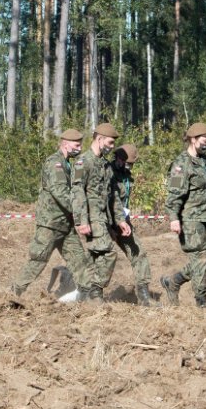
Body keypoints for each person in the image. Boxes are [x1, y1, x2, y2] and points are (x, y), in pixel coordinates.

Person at [10, 129, 95, 300]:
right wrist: (80, 211)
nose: (79, 148)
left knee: (79, 259)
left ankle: (88, 295)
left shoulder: (68, 164)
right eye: (76, 145)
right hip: (50, 224)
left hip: (65, 224)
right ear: (65, 143)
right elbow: (60, 192)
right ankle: (13, 293)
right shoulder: (54, 163)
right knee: (38, 260)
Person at [161, 122, 206, 308]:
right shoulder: (181, 165)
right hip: (190, 219)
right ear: (193, 139)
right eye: (205, 140)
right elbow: (174, 194)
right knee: (201, 260)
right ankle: (201, 304)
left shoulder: (205, 161)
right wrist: (173, 218)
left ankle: (174, 280)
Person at [76, 122, 122, 301]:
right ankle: (95, 290)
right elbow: (77, 192)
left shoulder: (105, 165)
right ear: (99, 139)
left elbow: (112, 195)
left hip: (102, 218)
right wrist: (82, 221)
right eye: (110, 143)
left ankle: (86, 293)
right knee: (109, 252)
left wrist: (117, 221)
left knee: (93, 256)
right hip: (90, 217)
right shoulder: (83, 162)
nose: (112, 147)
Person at [110, 145, 155, 306]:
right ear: (117, 158)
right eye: (126, 162)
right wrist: (110, 227)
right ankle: (89, 293)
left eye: (131, 164)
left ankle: (144, 296)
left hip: (123, 222)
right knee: (102, 258)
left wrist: (123, 220)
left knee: (139, 253)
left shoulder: (125, 175)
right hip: (106, 223)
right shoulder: (108, 173)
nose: (128, 166)